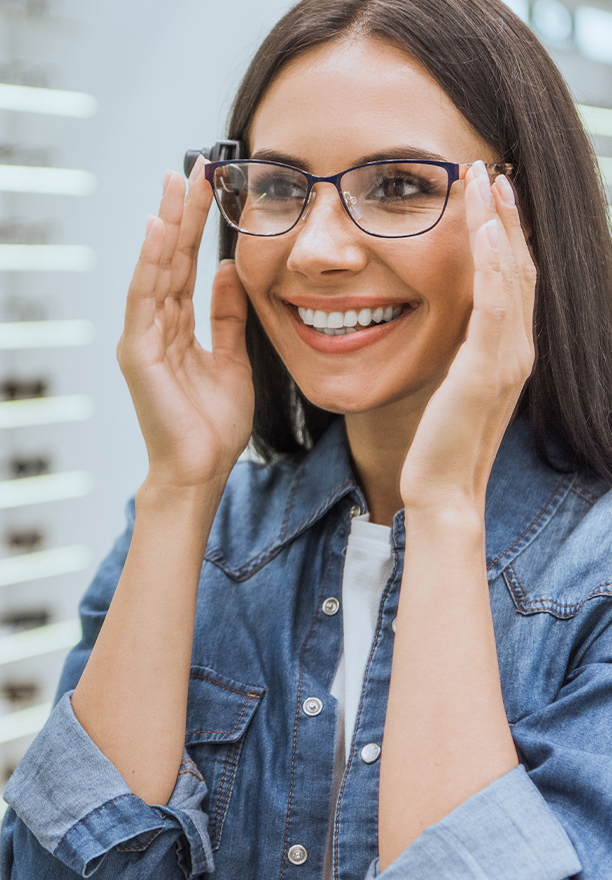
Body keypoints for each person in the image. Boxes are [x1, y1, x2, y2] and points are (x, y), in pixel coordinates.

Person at [2, 0, 612, 876]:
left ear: (525, 217)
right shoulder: (197, 534)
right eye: (282, 186)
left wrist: (441, 511)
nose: (317, 250)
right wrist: (178, 490)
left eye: (398, 186)